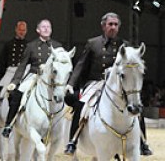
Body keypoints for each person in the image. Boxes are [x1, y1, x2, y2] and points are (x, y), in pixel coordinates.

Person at [64, 12, 152, 156]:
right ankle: (72, 141)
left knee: (135, 107)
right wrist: (71, 83)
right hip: (95, 83)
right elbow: (81, 65)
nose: (113, 27)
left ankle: (143, 142)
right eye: (110, 24)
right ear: (103, 26)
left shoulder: (124, 45)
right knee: (81, 105)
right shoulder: (93, 43)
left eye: (116, 25)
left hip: (116, 85)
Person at [2, 19, 62, 138]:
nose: (46, 29)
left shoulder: (57, 46)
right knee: (18, 93)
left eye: (48, 27)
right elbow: (22, 65)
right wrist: (15, 81)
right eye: (43, 27)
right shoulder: (31, 46)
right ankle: (9, 124)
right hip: (34, 75)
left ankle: (57, 126)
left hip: (52, 79)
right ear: (38, 30)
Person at [0, 21, 28, 127]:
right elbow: (2, 62)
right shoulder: (8, 44)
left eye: (23, 30)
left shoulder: (28, 46)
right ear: (16, 30)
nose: (21, 32)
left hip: (23, 73)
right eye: (20, 30)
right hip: (10, 71)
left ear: (26, 31)